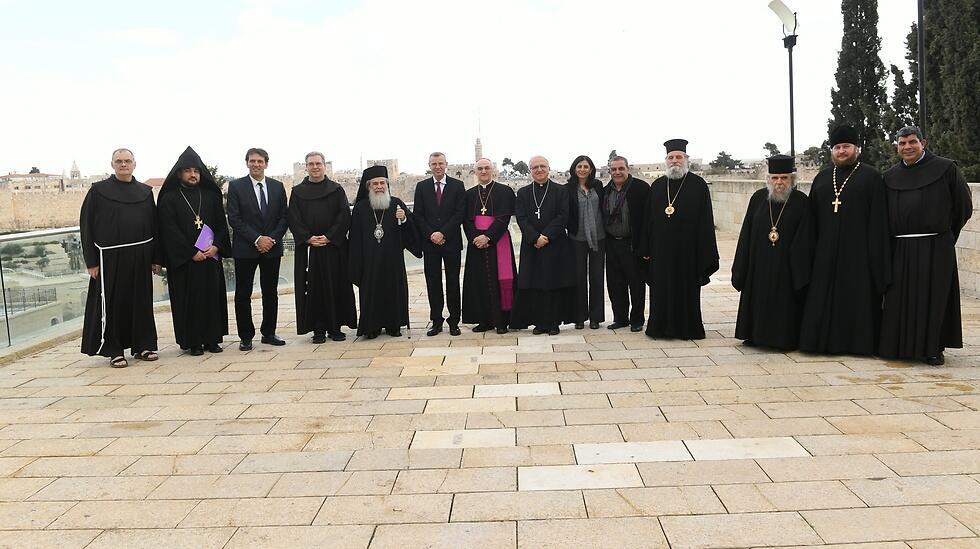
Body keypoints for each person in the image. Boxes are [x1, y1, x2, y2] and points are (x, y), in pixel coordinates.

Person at [879, 126, 973, 365]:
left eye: (912, 142)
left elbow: (963, 206)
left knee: (934, 298)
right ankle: (899, 346)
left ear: (924, 143)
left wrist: (945, 236)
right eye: (902, 143)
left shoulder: (946, 169)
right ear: (897, 147)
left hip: (936, 246)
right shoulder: (889, 176)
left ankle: (933, 349)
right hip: (900, 248)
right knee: (900, 299)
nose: (907, 147)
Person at [799, 125, 890, 355]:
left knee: (856, 301)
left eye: (846, 147)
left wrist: (877, 261)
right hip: (825, 256)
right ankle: (821, 343)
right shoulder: (822, 178)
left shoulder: (871, 177)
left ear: (857, 148)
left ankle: (857, 345)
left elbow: (879, 222)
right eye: (837, 147)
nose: (841, 151)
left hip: (859, 257)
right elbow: (811, 222)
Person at [79, 148, 160, 368]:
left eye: (127, 161)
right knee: (114, 304)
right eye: (119, 161)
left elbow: (155, 226)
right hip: (110, 257)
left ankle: (143, 345)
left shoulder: (145, 192)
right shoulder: (98, 191)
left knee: (141, 303)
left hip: (141, 256)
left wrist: (156, 258)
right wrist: (91, 261)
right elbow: (86, 226)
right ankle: (114, 350)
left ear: (134, 164)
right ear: (112, 165)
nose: (123, 164)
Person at [731, 154, 812, 350]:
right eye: (775, 178)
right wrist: (741, 267)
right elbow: (746, 234)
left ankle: (783, 339)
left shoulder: (801, 201)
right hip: (758, 264)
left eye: (784, 178)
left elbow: (807, 238)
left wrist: (800, 269)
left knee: (784, 303)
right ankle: (755, 335)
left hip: (787, 266)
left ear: (792, 179)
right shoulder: (758, 198)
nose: (779, 182)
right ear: (768, 179)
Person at [641, 138, 719, 340]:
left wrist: (704, 252)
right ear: (666, 160)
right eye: (671, 157)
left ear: (686, 159)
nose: (674, 161)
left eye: (678, 157)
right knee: (661, 290)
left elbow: (706, 221)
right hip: (661, 251)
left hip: (688, 252)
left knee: (686, 291)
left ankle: (687, 329)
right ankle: (660, 328)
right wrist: (646, 249)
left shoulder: (698, 185)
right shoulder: (658, 185)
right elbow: (648, 220)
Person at [157, 146, 231, 356]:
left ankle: (212, 339)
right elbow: (168, 230)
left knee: (211, 299)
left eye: (196, 171)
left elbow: (221, 225)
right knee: (189, 301)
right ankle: (193, 342)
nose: (193, 174)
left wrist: (216, 246)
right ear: (179, 174)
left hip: (210, 258)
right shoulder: (169, 198)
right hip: (185, 263)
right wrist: (190, 252)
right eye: (188, 171)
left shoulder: (211, 196)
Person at [287, 151, 358, 343]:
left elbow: (344, 216)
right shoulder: (297, 192)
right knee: (313, 289)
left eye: (318, 163)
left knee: (336, 286)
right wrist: (308, 238)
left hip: (333, 248)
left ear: (324, 166)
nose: (315, 167)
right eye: (311, 164)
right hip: (310, 250)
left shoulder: (336, 190)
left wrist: (329, 237)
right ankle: (317, 329)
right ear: (306, 167)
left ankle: (335, 327)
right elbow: (293, 218)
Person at [349, 165, 421, 339]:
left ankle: (393, 325)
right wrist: (356, 264)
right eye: (375, 184)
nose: (379, 186)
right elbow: (355, 239)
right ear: (368, 186)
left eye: (382, 183)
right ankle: (371, 326)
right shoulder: (360, 208)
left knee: (393, 291)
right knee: (370, 292)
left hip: (392, 260)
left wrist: (404, 219)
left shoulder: (396, 204)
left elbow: (412, 231)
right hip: (369, 261)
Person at [226, 147, 288, 351]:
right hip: (246, 248)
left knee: (270, 293)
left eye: (260, 161)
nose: (256, 164)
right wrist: (257, 239)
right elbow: (234, 218)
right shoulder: (236, 186)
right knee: (243, 294)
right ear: (247, 163)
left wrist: (271, 239)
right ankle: (246, 336)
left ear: (266, 164)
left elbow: (284, 217)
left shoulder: (278, 187)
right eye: (252, 161)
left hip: (272, 248)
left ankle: (269, 333)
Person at [509, 156, 575, 335]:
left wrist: (545, 236)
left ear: (548, 168)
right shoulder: (523, 193)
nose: (539, 169)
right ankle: (539, 323)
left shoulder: (560, 191)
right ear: (530, 170)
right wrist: (534, 237)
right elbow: (521, 218)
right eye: (535, 167)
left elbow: (563, 216)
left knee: (554, 283)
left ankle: (553, 323)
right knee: (535, 283)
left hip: (555, 244)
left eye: (542, 166)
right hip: (532, 245)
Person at [461, 158, 517, 334]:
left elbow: (504, 218)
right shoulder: (469, 194)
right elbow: (466, 220)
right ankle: (483, 320)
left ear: (493, 170)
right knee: (478, 281)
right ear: (475, 172)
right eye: (480, 169)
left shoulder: (505, 191)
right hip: (476, 243)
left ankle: (502, 321)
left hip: (498, 240)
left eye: (487, 168)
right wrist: (475, 238)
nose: (484, 171)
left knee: (501, 280)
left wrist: (488, 237)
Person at [413, 152, 466, 337]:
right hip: (430, 244)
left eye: (440, 163)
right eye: (434, 164)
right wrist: (431, 235)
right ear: (429, 165)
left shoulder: (457, 186)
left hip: (451, 242)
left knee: (453, 282)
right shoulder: (422, 187)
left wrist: (443, 233)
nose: (437, 167)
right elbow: (418, 215)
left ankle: (454, 321)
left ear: (446, 164)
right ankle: (436, 321)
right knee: (433, 283)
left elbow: (460, 213)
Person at [603, 156, 649, 332]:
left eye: (621, 168)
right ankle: (620, 318)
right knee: (615, 284)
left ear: (627, 169)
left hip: (632, 244)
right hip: (612, 243)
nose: (617, 172)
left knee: (636, 284)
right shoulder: (606, 190)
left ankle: (637, 319)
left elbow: (649, 219)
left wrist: (646, 246)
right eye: (614, 169)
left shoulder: (641, 188)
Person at [567, 155, 606, 329]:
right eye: (579, 166)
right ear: (574, 169)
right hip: (577, 238)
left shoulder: (598, 186)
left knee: (597, 277)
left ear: (591, 169)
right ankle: (579, 317)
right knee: (578, 277)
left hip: (599, 237)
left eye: (586, 166)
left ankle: (596, 317)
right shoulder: (568, 188)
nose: (582, 169)